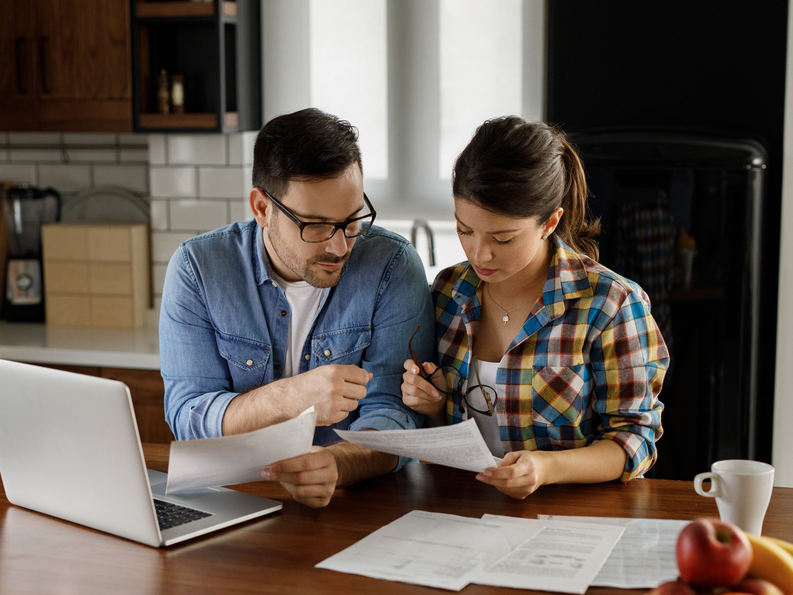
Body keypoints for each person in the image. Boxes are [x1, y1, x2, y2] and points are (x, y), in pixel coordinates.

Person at [160, 108, 434, 508]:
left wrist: (339, 464)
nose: (339, 246)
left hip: (352, 504)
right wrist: (286, 400)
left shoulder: (392, 267)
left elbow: (396, 415)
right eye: (316, 226)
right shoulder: (198, 269)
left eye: (352, 220)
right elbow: (188, 419)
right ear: (262, 208)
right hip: (232, 501)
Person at [401, 116, 668, 499]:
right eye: (465, 230)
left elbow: (635, 442)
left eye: (503, 239)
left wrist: (545, 467)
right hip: (464, 509)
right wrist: (434, 406)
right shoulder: (447, 290)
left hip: (568, 517)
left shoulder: (610, 304)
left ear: (549, 223)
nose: (479, 253)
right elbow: (453, 436)